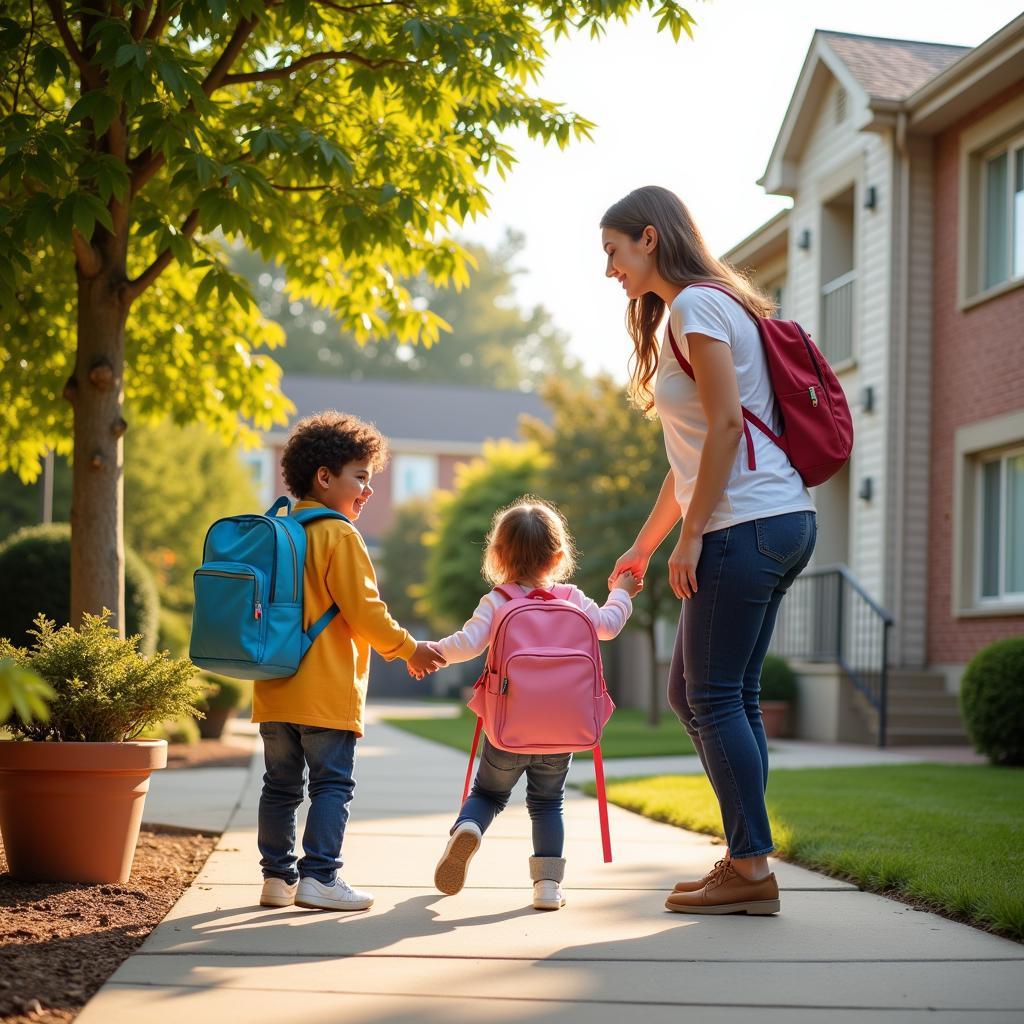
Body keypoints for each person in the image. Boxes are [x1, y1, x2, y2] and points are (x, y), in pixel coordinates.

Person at [603, 186, 817, 916]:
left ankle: (751, 866)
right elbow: (690, 455)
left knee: (711, 695)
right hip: (774, 519)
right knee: (716, 694)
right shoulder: (704, 309)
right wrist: (643, 545)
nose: (611, 270)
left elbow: (726, 427)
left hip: (745, 525)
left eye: (614, 251)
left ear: (650, 239)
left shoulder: (697, 306)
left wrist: (691, 537)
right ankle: (746, 856)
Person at [254, 411, 445, 912]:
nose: (368, 490)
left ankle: (277, 878)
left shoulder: (279, 534)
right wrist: (410, 649)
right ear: (324, 476)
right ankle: (319, 877)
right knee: (331, 784)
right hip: (325, 688)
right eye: (360, 477)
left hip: (274, 686)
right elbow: (365, 611)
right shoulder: (339, 536)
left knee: (280, 785)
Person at [421, 497, 640, 910]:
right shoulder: (573, 599)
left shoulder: (498, 601)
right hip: (564, 733)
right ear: (558, 556)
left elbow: (465, 646)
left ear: (499, 556)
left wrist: (428, 651)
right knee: (546, 803)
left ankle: (468, 828)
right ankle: (547, 888)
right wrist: (622, 593)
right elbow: (609, 626)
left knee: (488, 793)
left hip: (507, 729)